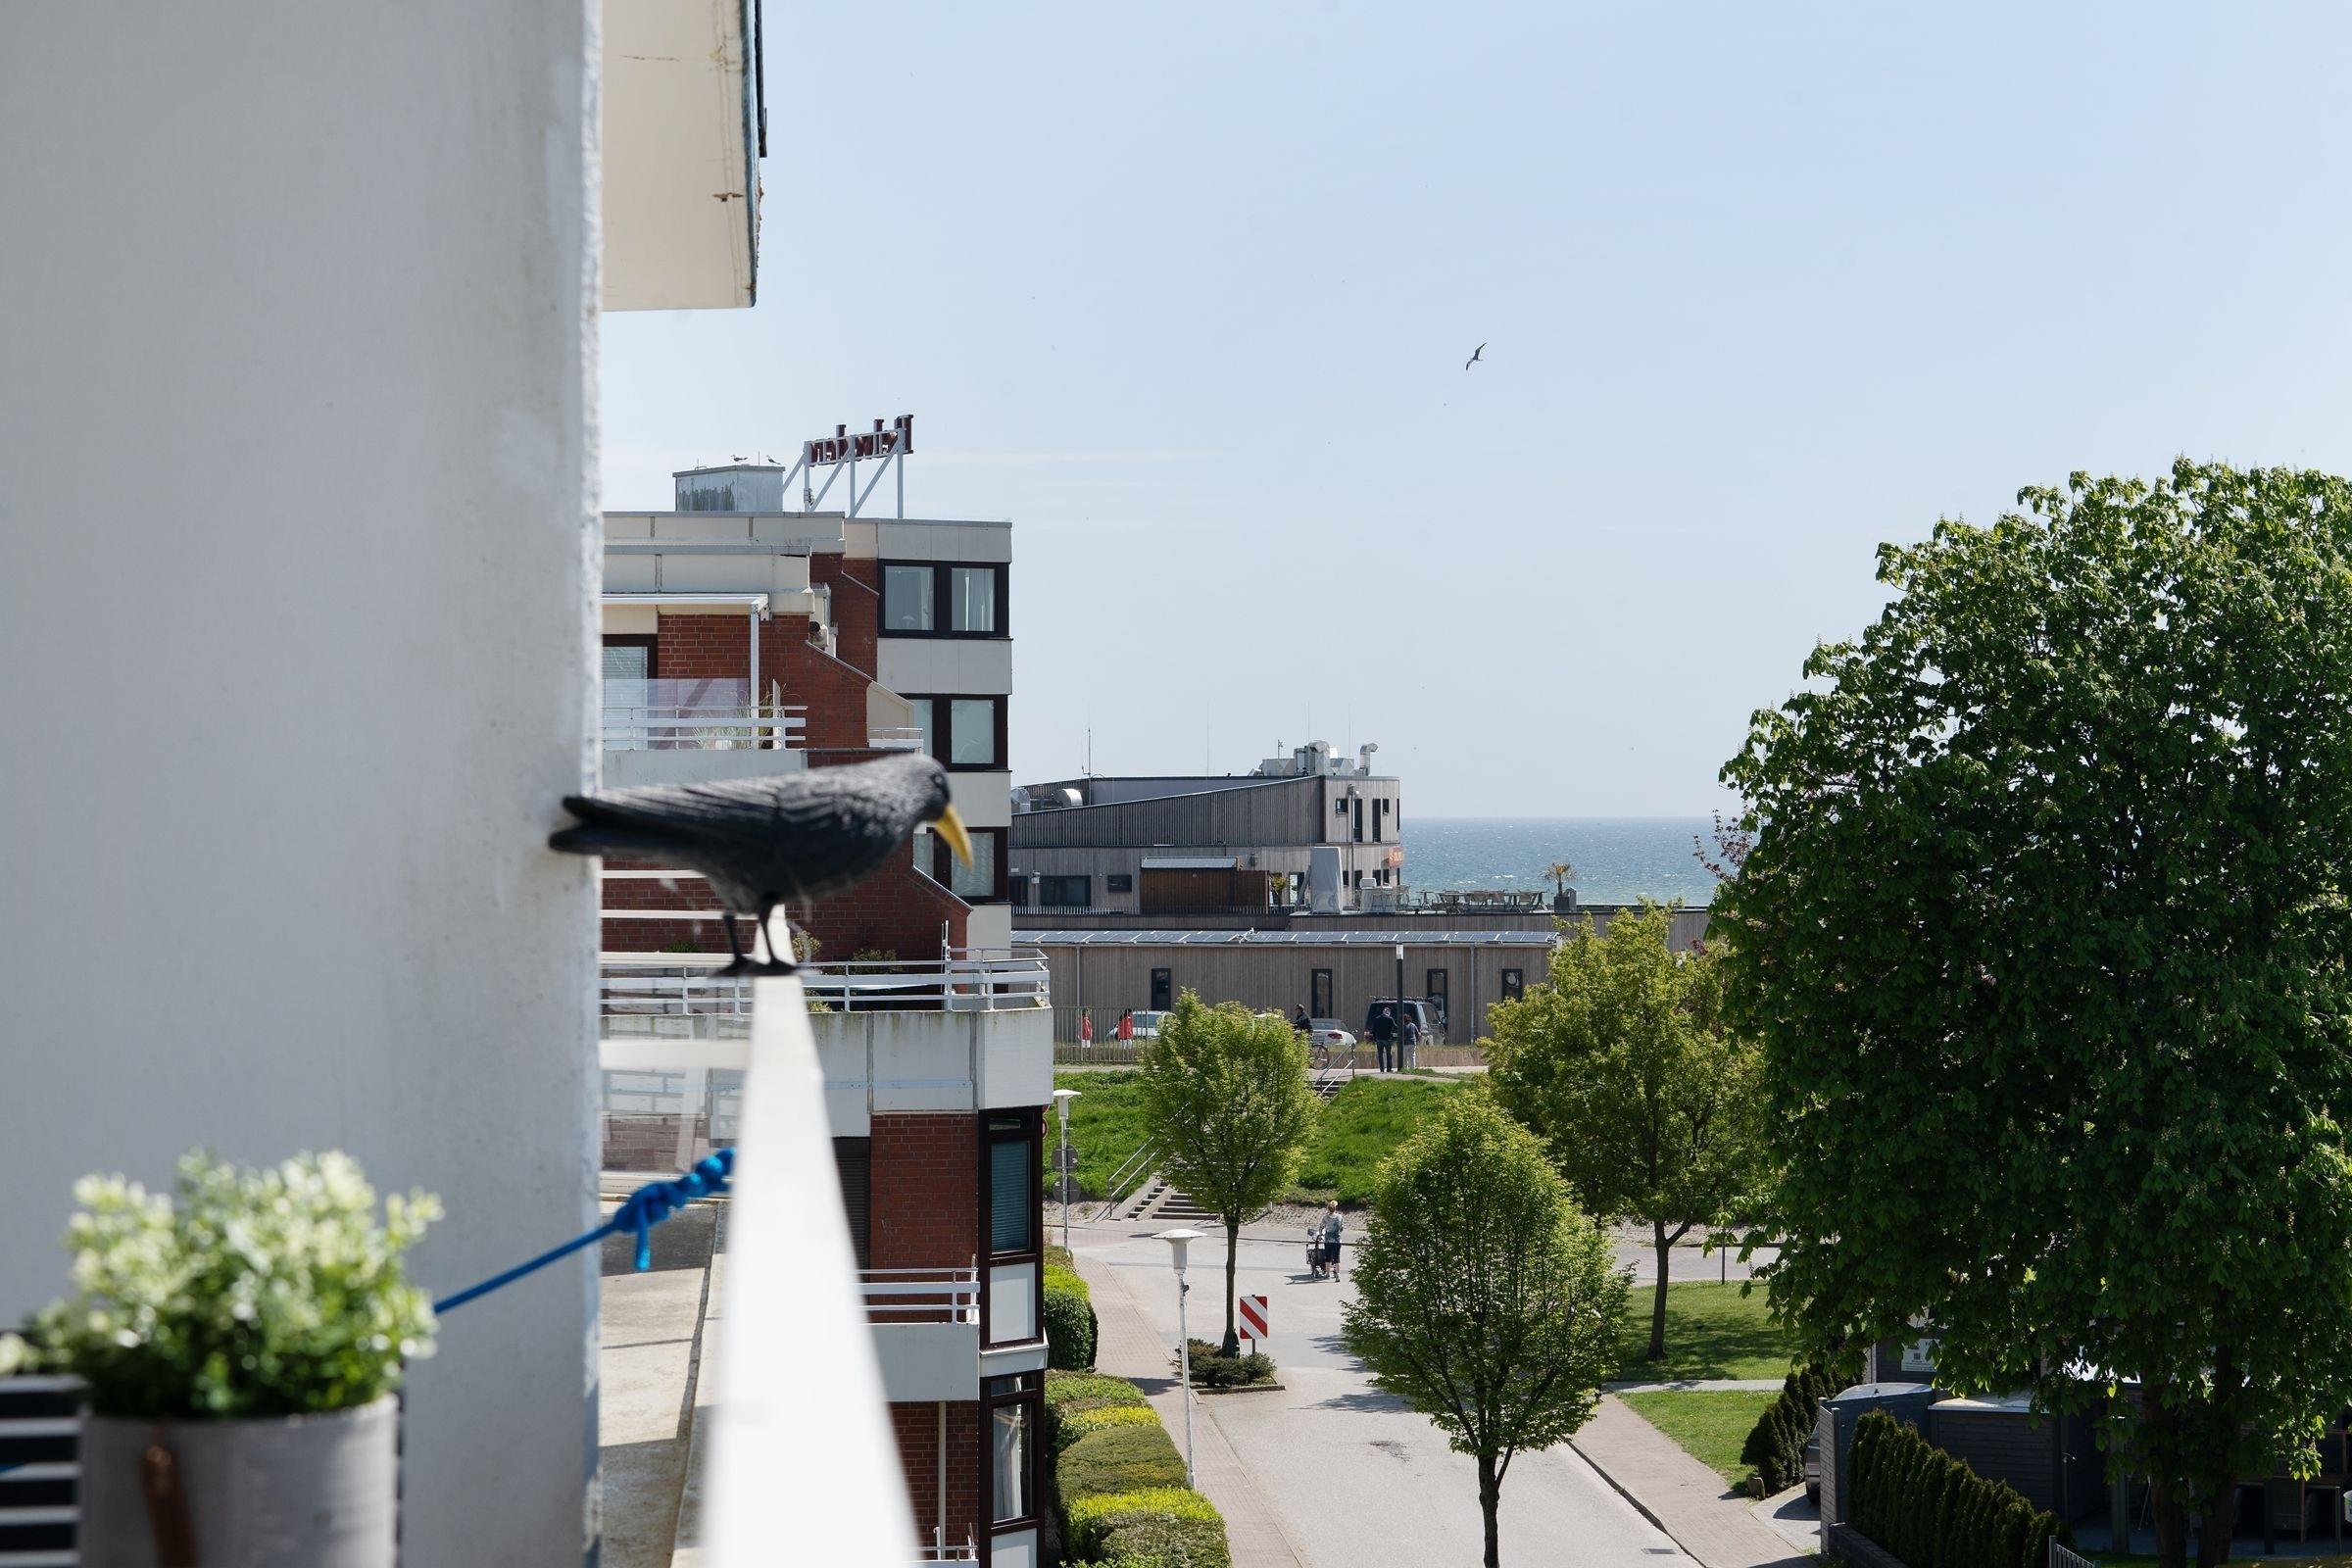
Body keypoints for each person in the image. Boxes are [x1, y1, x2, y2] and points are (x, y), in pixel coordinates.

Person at [1318, 1201, 1344, 1279]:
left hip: (1328, 1240)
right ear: (1335, 1209)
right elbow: (1341, 1228)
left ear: (1328, 1209)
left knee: (1328, 1257)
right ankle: (1337, 1274)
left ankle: (1327, 1273)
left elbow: (1321, 1227)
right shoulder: (1339, 1217)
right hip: (1337, 1240)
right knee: (1337, 1257)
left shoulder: (1325, 1217)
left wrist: (1321, 1234)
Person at [1369, 1005, 1396, 1072]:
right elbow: (1395, 1027)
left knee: (1380, 1055)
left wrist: (1375, 1038)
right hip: (1387, 1039)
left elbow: (1373, 1029)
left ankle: (1382, 1069)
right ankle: (1389, 1069)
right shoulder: (1390, 1019)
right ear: (1388, 1012)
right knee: (1388, 1054)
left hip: (1379, 1039)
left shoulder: (1377, 1019)